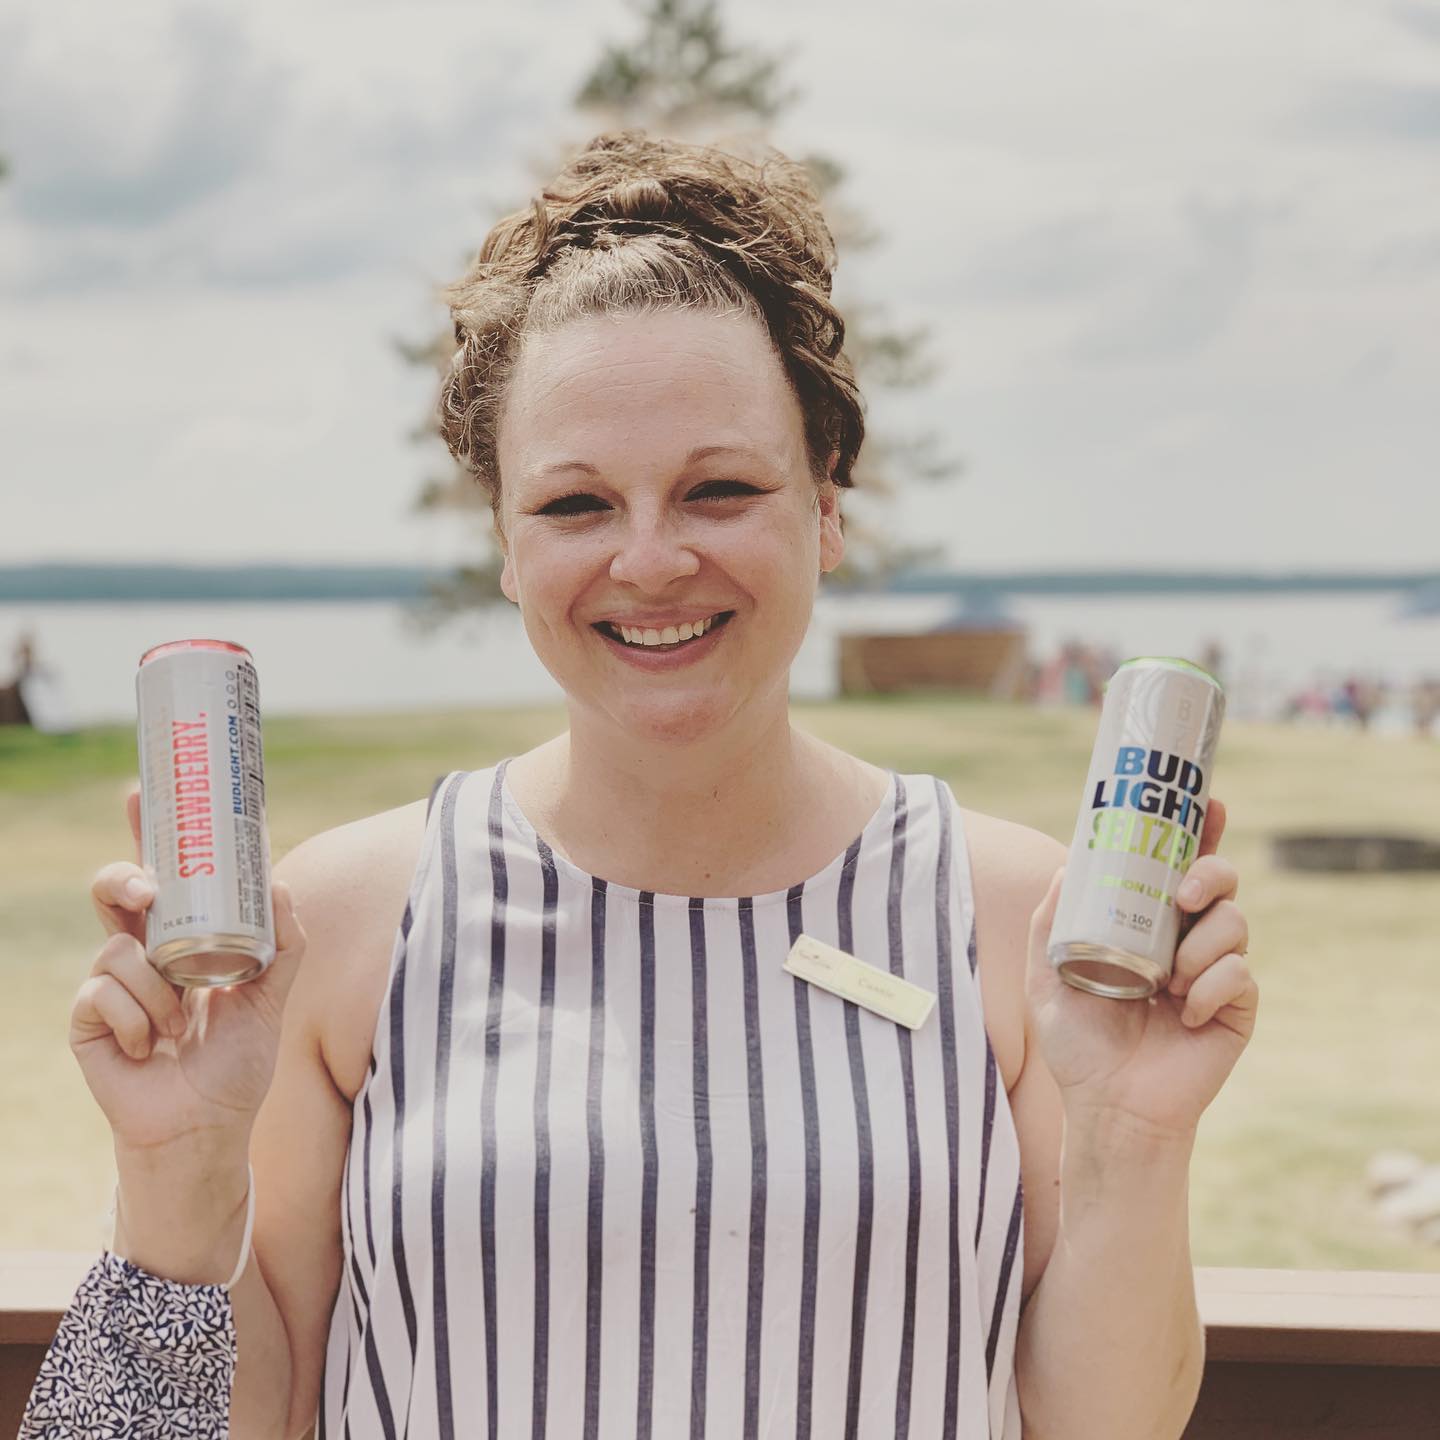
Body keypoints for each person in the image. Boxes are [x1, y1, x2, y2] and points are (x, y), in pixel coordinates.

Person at [21, 130, 1258, 1440]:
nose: (652, 559)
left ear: (827, 510)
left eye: (718, 489)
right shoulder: (334, 928)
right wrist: (176, 1169)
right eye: (576, 505)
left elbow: (1102, 1428)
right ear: (507, 544)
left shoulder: (1018, 924)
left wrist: (1136, 1134)